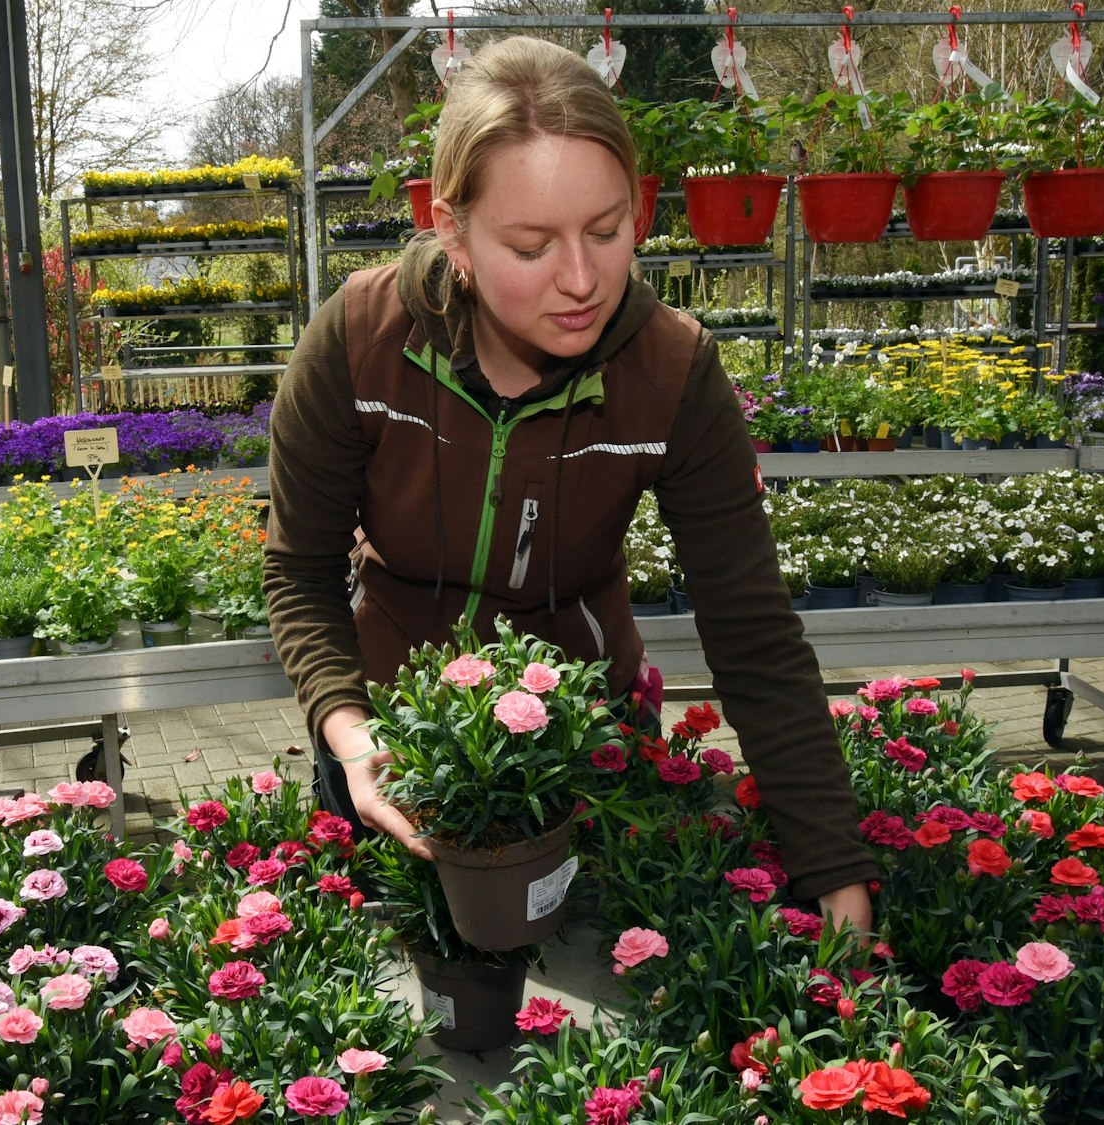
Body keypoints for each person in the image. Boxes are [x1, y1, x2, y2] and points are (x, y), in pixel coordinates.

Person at [262, 36, 876, 933]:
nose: (582, 280)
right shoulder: (359, 341)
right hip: (393, 747)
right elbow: (299, 571)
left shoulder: (671, 370)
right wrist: (357, 741)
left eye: (607, 229)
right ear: (452, 230)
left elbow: (752, 632)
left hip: (585, 750)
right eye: (531, 243)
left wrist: (833, 867)